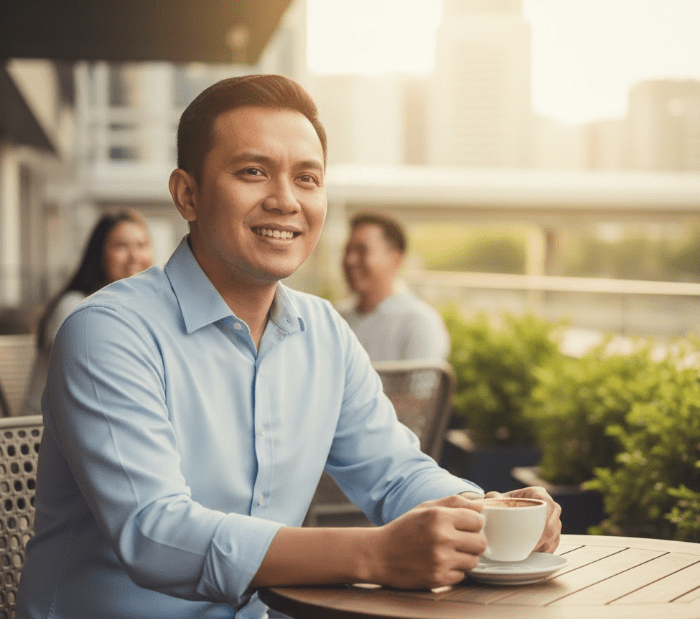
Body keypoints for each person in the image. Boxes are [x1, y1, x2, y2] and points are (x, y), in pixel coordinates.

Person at [17, 75, 560, 619]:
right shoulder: (107, 330)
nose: (284, 201)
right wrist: (372, 554)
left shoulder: (324, 333)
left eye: (307, 178)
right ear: (187, 194)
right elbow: (154, 532)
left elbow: (395, 472)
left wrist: (490, 512)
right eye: (253, 172)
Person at [19, 209, 153, 417]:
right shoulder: (74, 307)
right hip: (36, 438)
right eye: (121, 246)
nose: (134, 256)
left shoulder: (138, 311)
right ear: (99, 255)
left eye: (141, 245)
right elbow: (99, 386)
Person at [339, 212, 451, 361]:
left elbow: (423, 384)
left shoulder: (419, 323)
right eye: (347, 251)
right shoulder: (336, 317)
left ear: (396, 258)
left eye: (362, 250)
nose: (350, 260)